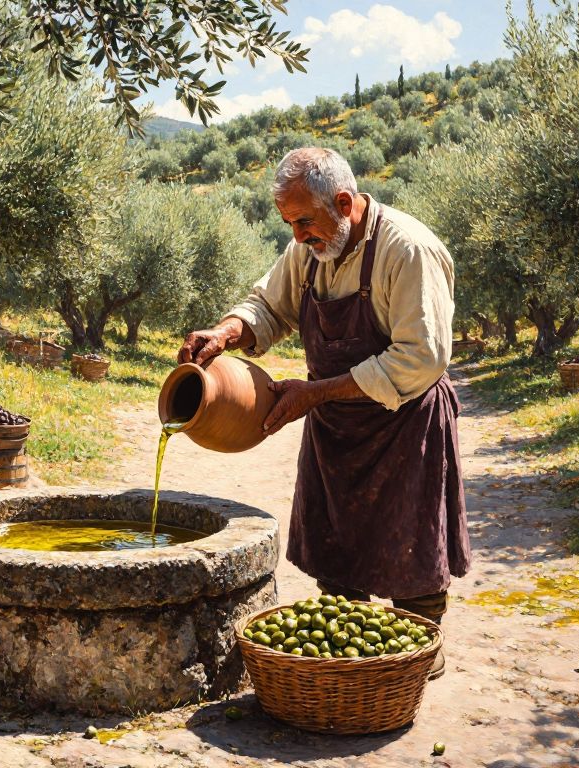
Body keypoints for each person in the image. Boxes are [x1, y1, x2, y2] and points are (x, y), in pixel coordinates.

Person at [178, 147, 469, 678]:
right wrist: (225, 332)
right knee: (337, 555)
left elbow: (421, 357)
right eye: (289, 224)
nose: (297, 237)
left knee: (413, 554)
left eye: (304, 222)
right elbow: (268, 306)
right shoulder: (309, 252)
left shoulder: (407, 251)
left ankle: (422, 647)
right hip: (336, 425)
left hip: (404, 424)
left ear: (343, 202)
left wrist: (313, 394)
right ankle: (349, 659)